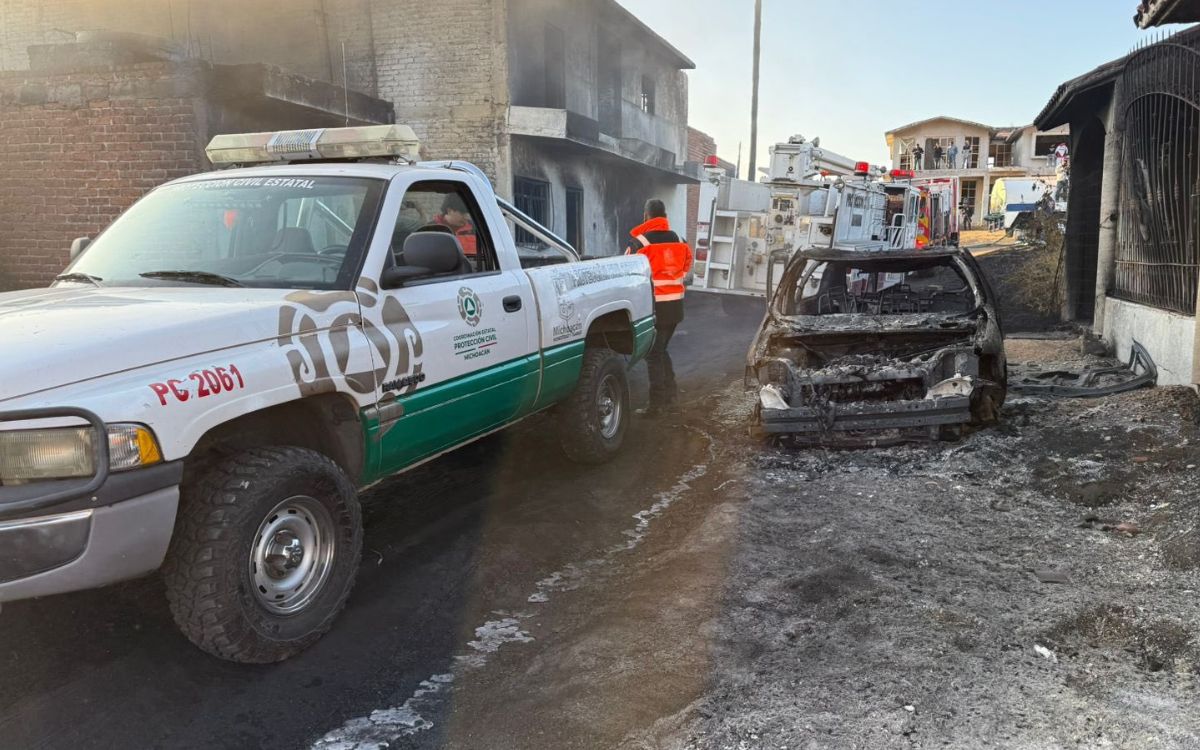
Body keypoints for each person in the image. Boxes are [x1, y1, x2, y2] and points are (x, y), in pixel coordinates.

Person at [625, 199, 693, 417]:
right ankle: (671, 399)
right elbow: (686, 268)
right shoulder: (680, 240)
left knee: (653, 354)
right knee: (660, 350)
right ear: (664, 216)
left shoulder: (640, 244)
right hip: (675, 308)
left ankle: (657, 406)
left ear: (646, 216)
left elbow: (625, 272)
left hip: (653, 308)